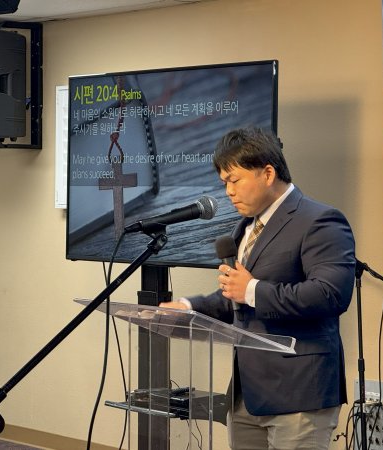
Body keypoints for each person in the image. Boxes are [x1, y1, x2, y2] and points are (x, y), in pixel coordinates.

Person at [160, 126, 356, 450]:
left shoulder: (320, 220)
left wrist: (252, 289)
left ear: (267, 173)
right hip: (247, 395)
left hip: (299, 394)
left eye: (234, 180)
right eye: (224, 183)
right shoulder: (246, 227)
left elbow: (330, 294)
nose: (228, 192)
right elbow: (235, 297)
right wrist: (189, 307)